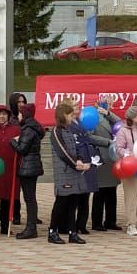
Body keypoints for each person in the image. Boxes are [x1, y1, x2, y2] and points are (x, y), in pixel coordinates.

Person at [47, 99, 93, 245]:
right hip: (65, 172)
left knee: (74, 201)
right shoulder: (56, 132)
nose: (73, 117)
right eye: (70, 115)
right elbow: (62, 152)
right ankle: (52, 231)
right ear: (63, 115)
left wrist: (80, 159)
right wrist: (76, 164)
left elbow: (76, 148)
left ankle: (72, 232)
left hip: (74, 172)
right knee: (61, 202)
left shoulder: (69, 131)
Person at [113, 105, 137, 236]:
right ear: (131, 117)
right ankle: (131, 224)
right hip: (130, 167)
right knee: (131, 196)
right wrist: (130, 155)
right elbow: (118, 148)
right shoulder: (123, 131)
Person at [9, 104, 45, 239]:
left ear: (25, 114)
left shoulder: (28, 129)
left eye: (20, 113)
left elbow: (22, 149)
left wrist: (13, 141)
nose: (18, 116)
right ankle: (32, 226)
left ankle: (31, 228)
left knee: (29, 199)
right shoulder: (33, 127)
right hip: (32, 166)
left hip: (28, 167)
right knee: (31, 198)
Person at [87, 98, 120, 232]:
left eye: (110, 103)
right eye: (105, 103)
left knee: (112, 191)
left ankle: (111, 221)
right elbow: (89, 136)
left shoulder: (109, 117)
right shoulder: (92, 118)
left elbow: (120, 123)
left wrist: (108, 113)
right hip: (101, 157)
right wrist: (108, 141)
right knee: (100, 192)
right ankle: (97, 222)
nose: (108, 105)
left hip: (112, 159)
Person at [0, 105, 21, 234]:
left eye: (4, 114)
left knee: (7, 198)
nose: (2, 117)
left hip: (10, 169)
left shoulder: (16, 130)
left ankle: (4, 225)